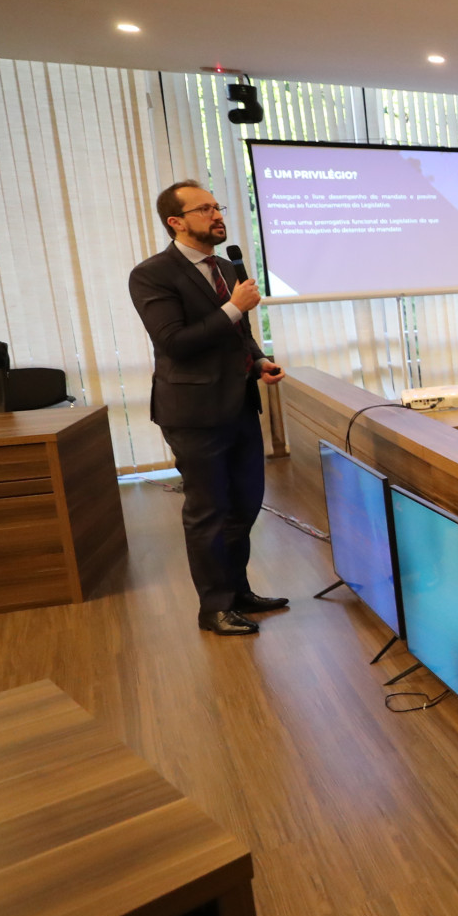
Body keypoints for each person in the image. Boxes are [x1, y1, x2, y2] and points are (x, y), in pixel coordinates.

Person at [129, 180, 287, 636]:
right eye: (204, 209)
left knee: (246, 504)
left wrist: (258, 361)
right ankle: (213, 607)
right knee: (208, 511)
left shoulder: (222, 266)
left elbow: (235, 335)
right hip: (193, 412)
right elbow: (174, 341)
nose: (217, 215)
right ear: (175, 222)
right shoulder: (152, 273)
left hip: (238, 402)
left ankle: (237, 592)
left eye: (217, 206)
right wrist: (235, 308)